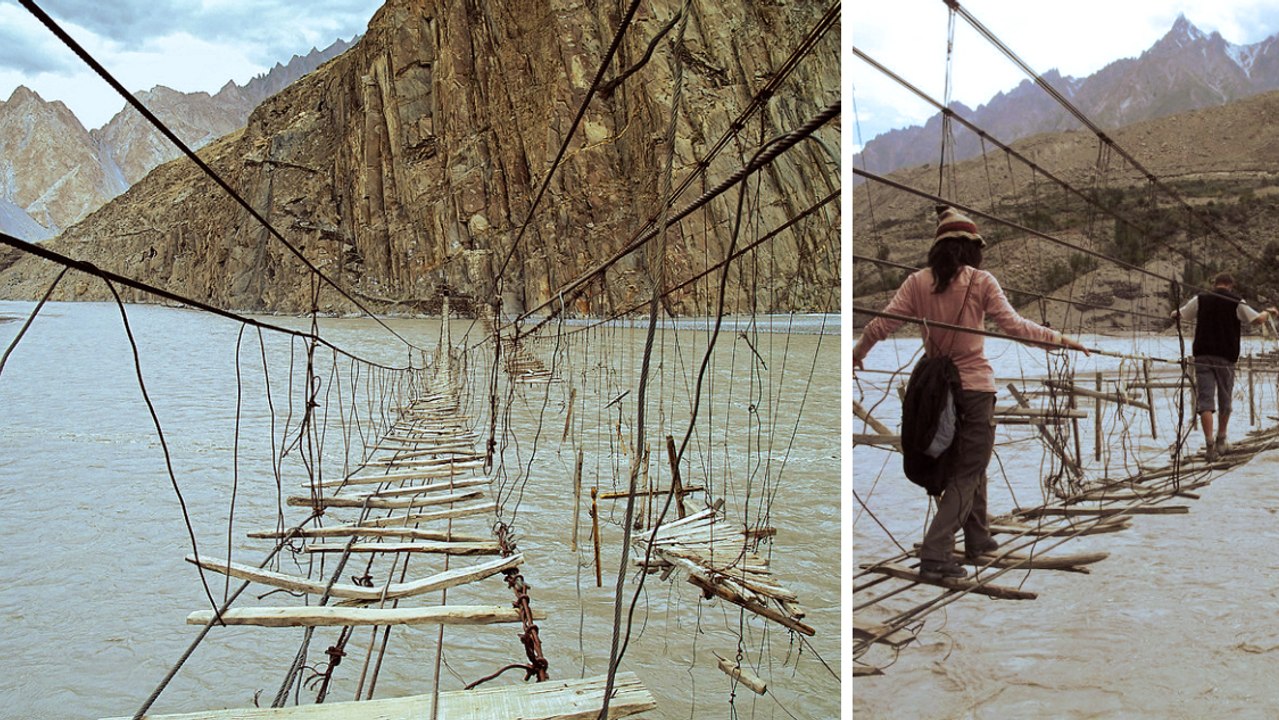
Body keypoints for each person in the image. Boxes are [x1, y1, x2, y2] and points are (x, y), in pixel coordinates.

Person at [853, 206, 1089, 581]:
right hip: (975, 389)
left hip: (935, 393)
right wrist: (1059, 340)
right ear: (971, 249)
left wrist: (857, 354)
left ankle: (978, 538)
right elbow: (1014, 327)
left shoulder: (918, 282)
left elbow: (881, 324)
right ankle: (936, 552)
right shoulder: (981, 281)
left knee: (969, 465)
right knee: (969, 468)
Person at [1171, 272, 1277, 461]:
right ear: (1231, 285)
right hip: (1226, 357)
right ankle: (1221, 439)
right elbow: (1258, 320)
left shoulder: (1200, 299)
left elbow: (1179, 315)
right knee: (1225, 399)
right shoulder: (1236, 301)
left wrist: (1174, 313)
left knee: (1205, 402)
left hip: (1202, 356)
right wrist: (1268, 312)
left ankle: (1209, 444)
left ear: (1215, 283)